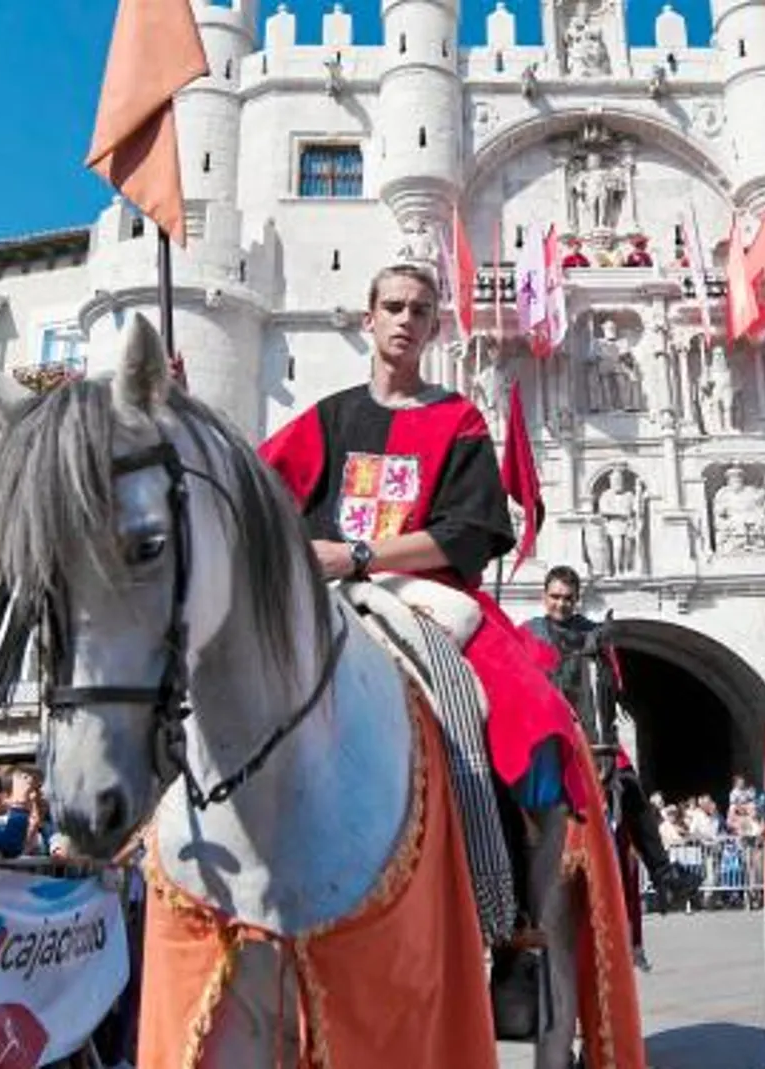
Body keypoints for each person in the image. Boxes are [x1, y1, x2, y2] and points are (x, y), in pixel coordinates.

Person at [258, 263, 593, 1028]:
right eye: (393, 307)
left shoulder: (458, 419)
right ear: (367, 319)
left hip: (421, 596)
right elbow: (254, 483)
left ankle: (504, 911)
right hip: (321, 596)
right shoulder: (328, 418)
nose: (405, 320)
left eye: (420, 310)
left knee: (490, 713)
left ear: (435, 327)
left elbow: (468, 534)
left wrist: (362, 556)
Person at [523, 565, 701, 906]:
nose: (560, 604)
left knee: (630, 783)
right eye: (555, 597)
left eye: (568, 598)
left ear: (577, 600)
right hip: (548, 729)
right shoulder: (529, 634)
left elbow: (610, 687)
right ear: (544, 597)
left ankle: (664, 874)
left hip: (593, 732)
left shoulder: (593, 633)